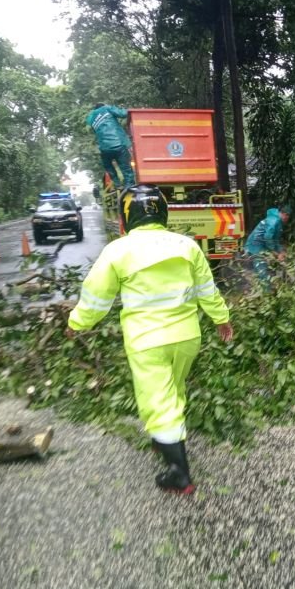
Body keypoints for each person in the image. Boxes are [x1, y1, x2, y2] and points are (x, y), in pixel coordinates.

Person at [67, 184, 233, 494]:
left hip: (147, 340)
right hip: (187, 337)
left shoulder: (118, 250)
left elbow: (96, 298)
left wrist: (76, 323)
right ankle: (162, 439)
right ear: (163, 212)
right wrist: (221, 319)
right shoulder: (187, 246)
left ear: (126, 217)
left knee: (157, 399)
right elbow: (207, 290)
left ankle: (179, 474)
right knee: (173, 388)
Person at [86, 103, 136, 188]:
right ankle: (129, 185)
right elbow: (123, 114)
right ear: (103, 105)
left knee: (108, 166)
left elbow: (97, 130)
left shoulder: (91, 118)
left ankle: (117, 184)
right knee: (125, 167)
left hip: (104, 148)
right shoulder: (107, 108)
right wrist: (129, 110)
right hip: (119, 143)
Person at [243, 205, 291, 285]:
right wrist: (275, 252)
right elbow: (268, 238)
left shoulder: (278, 222)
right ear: (283, 214)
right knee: (262, 269)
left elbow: (275, 239)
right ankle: (267, 292)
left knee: (268, 266)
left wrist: (281, 251)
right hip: (255, 246)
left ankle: (270, 286)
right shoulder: (274, 221)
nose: (287, 218)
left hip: (262, 245)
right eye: (287, 216)